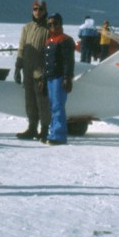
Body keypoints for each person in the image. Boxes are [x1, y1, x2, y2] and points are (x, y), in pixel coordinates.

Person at [14, 0, 51, 140]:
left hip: (40, 69)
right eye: (35, 9)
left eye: (40, 9)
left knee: (42, 100)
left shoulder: (49, 28)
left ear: (45, 11)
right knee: (30, 100)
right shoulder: (27, 27)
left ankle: (45, 129)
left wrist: (46, 72)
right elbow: (22, 47)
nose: (38, 12)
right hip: (27, 68)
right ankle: (32, 128)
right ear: (32, 10)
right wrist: (18, 67)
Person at [41, 13, 75, 145]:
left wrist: (67, 77)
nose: (53, 26)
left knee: (58, 106)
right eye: (50, 24)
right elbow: (46, 62)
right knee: (52, 106)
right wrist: (43, 79)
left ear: (60, 24)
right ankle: (52, 133)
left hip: (59, 77)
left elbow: (68, 61)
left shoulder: (65, 40)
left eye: (55, 23)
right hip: (50, 77)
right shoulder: (48, 41)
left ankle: (59, 135)